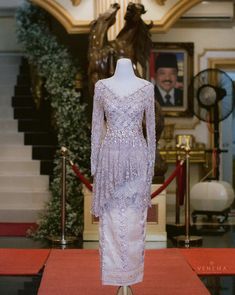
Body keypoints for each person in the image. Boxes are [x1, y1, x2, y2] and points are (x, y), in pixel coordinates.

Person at [91, 58, 156, 293]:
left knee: (135, 221)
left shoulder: (146, 88)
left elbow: (151, 128)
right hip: (109, 161)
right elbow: (97, 127)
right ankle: (116, 277)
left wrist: (151, 163)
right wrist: (94, 165)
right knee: (110, 221)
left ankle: (130, 278)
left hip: (137, 160)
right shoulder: (101, 87)